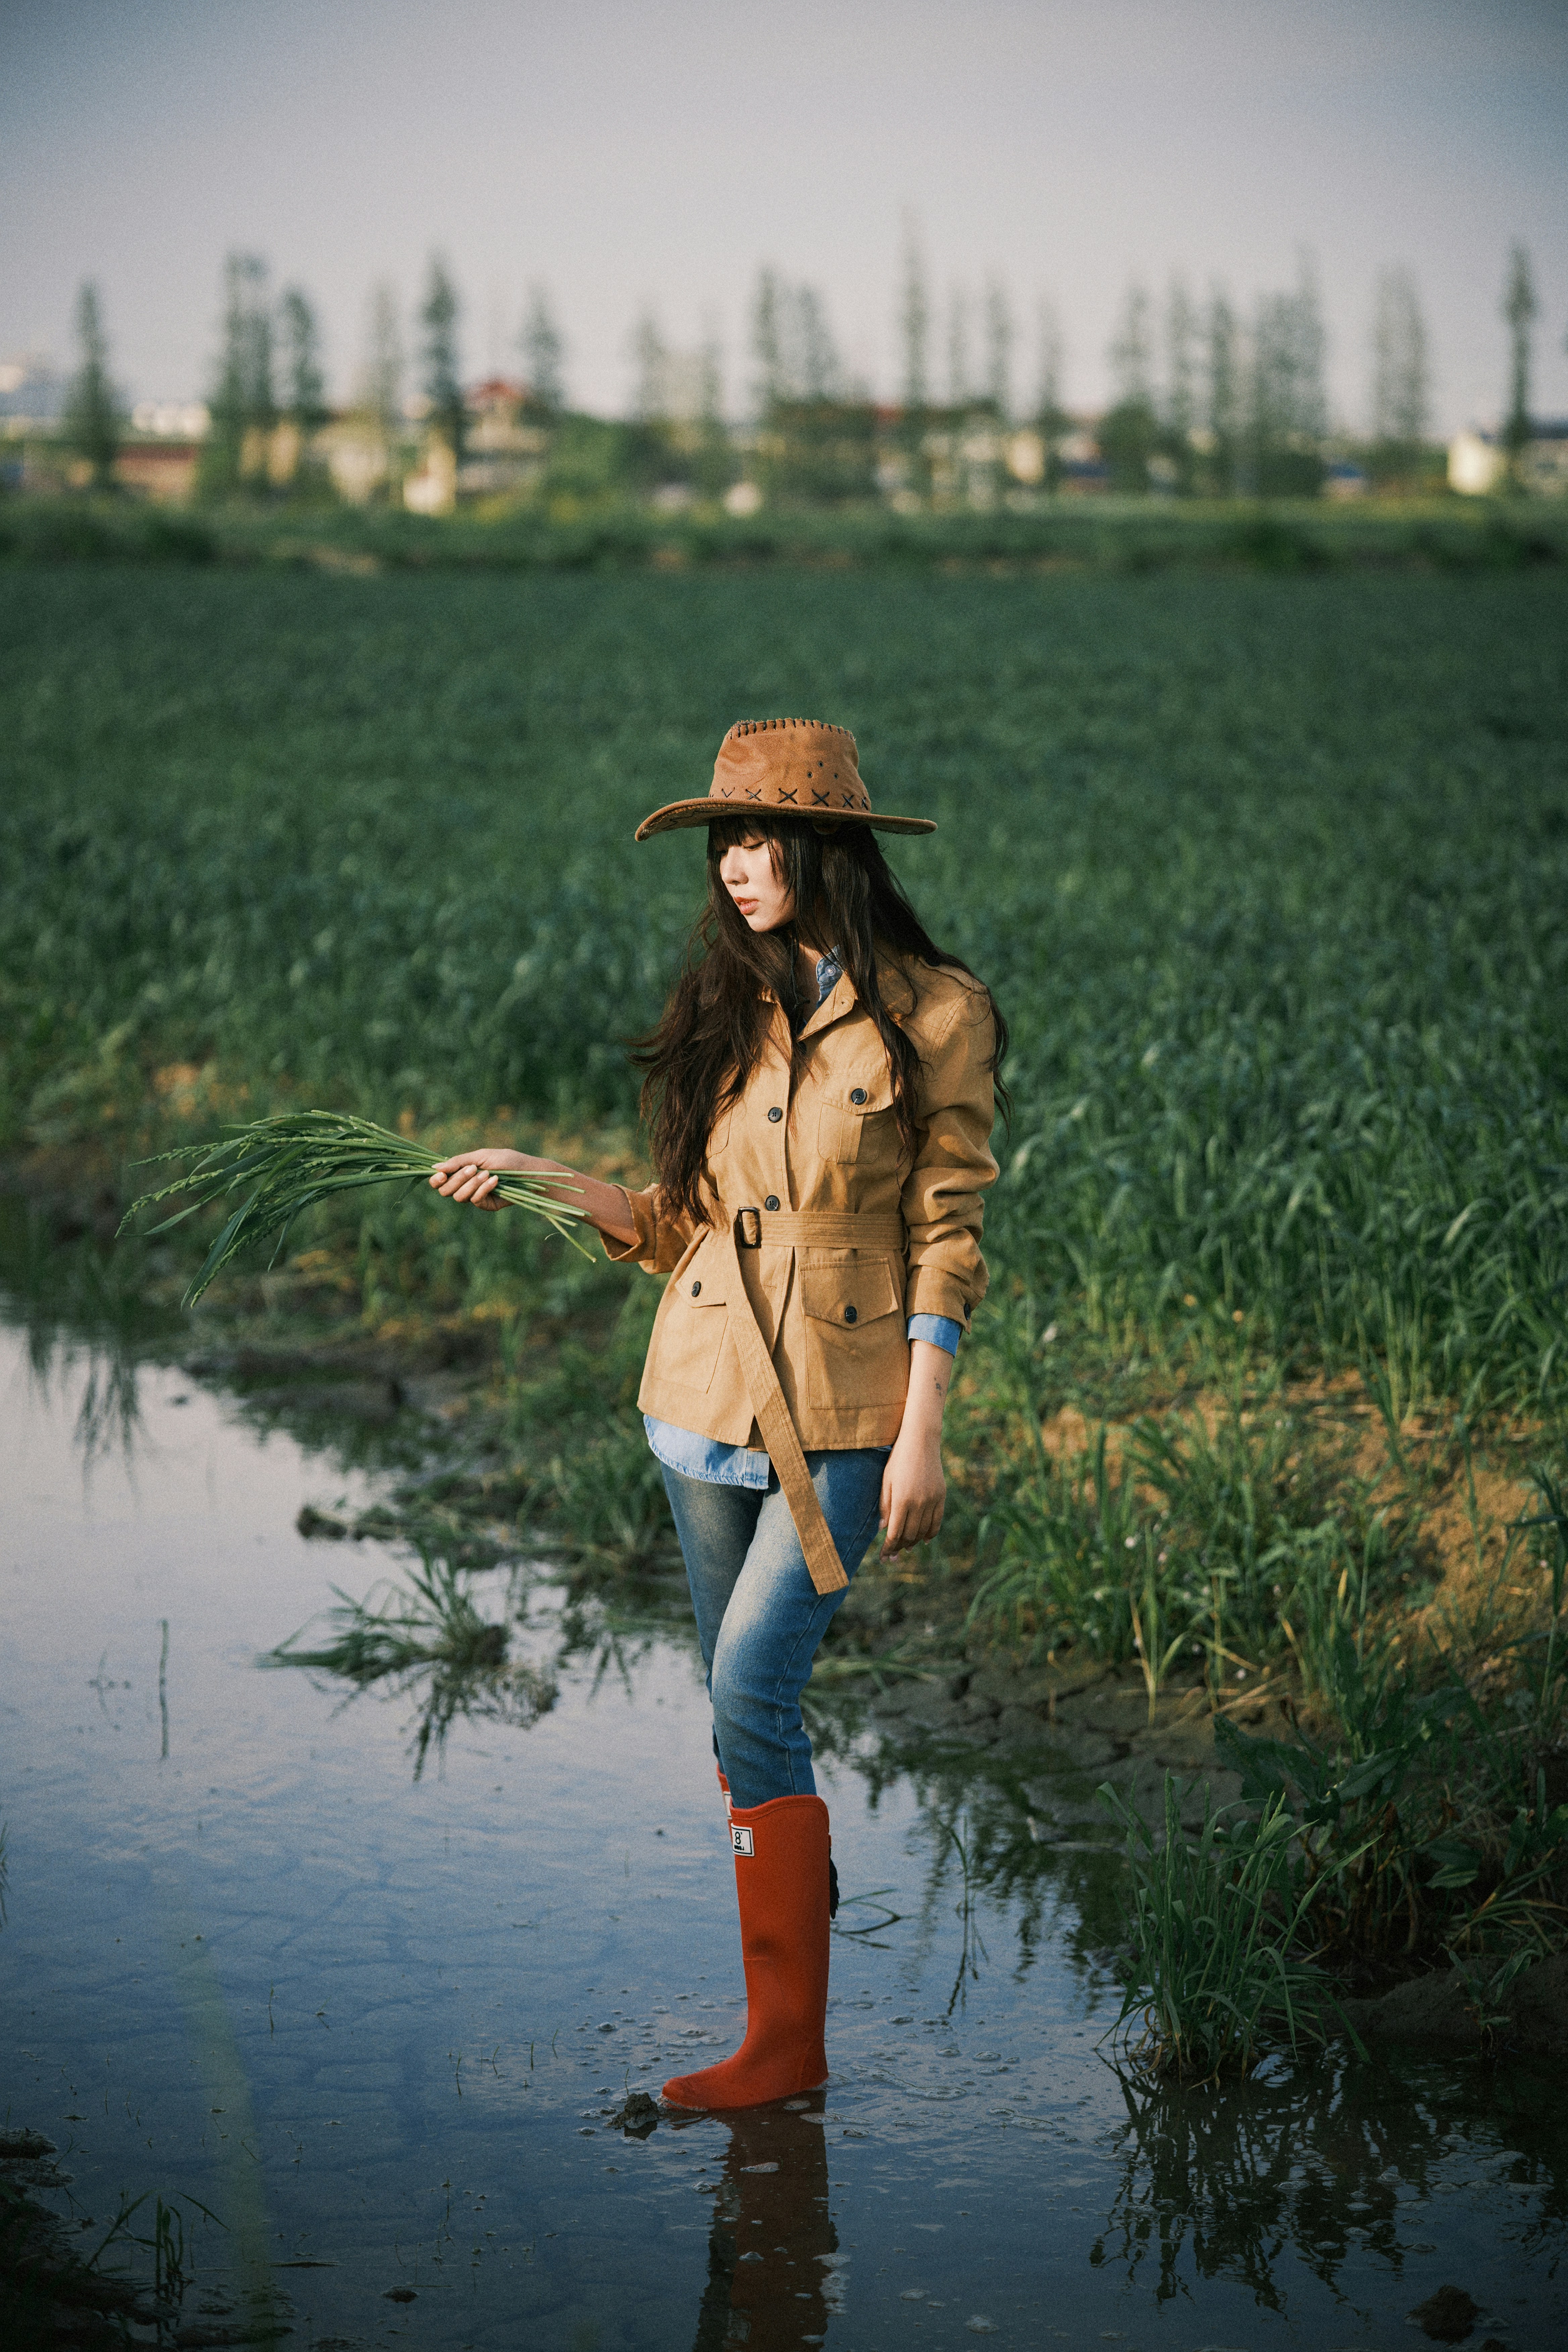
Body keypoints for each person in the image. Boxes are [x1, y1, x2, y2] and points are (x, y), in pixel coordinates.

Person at [431, 717, 1004, 2110]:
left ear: (830, 847)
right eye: (723, 842)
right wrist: (534, 1172)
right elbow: (673, 1219)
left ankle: (779, 2050)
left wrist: (927, 1426)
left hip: (852, 1409)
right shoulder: (726, 1007)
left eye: (759, 837)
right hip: (696, 1396)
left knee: (754, 1691)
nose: (737, 865)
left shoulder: (938, 1012)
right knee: (741, 1715)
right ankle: (783, 2037)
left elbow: (947, 1229)